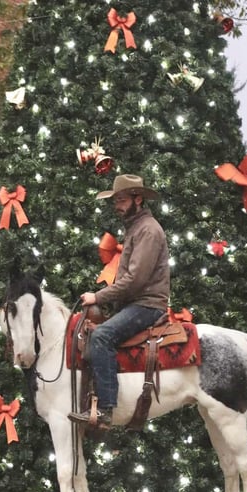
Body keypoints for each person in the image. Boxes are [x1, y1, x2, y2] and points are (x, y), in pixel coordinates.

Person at [68, 174, 170, 428]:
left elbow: (135, 280)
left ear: (138, 199)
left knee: (102, 336)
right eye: (115, 201)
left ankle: (105, 410)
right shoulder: (137, 228)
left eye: (122, 200)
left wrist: (98, 296)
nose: (117, 205)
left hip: (147, 305)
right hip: (136, 303)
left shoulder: (148, 230)